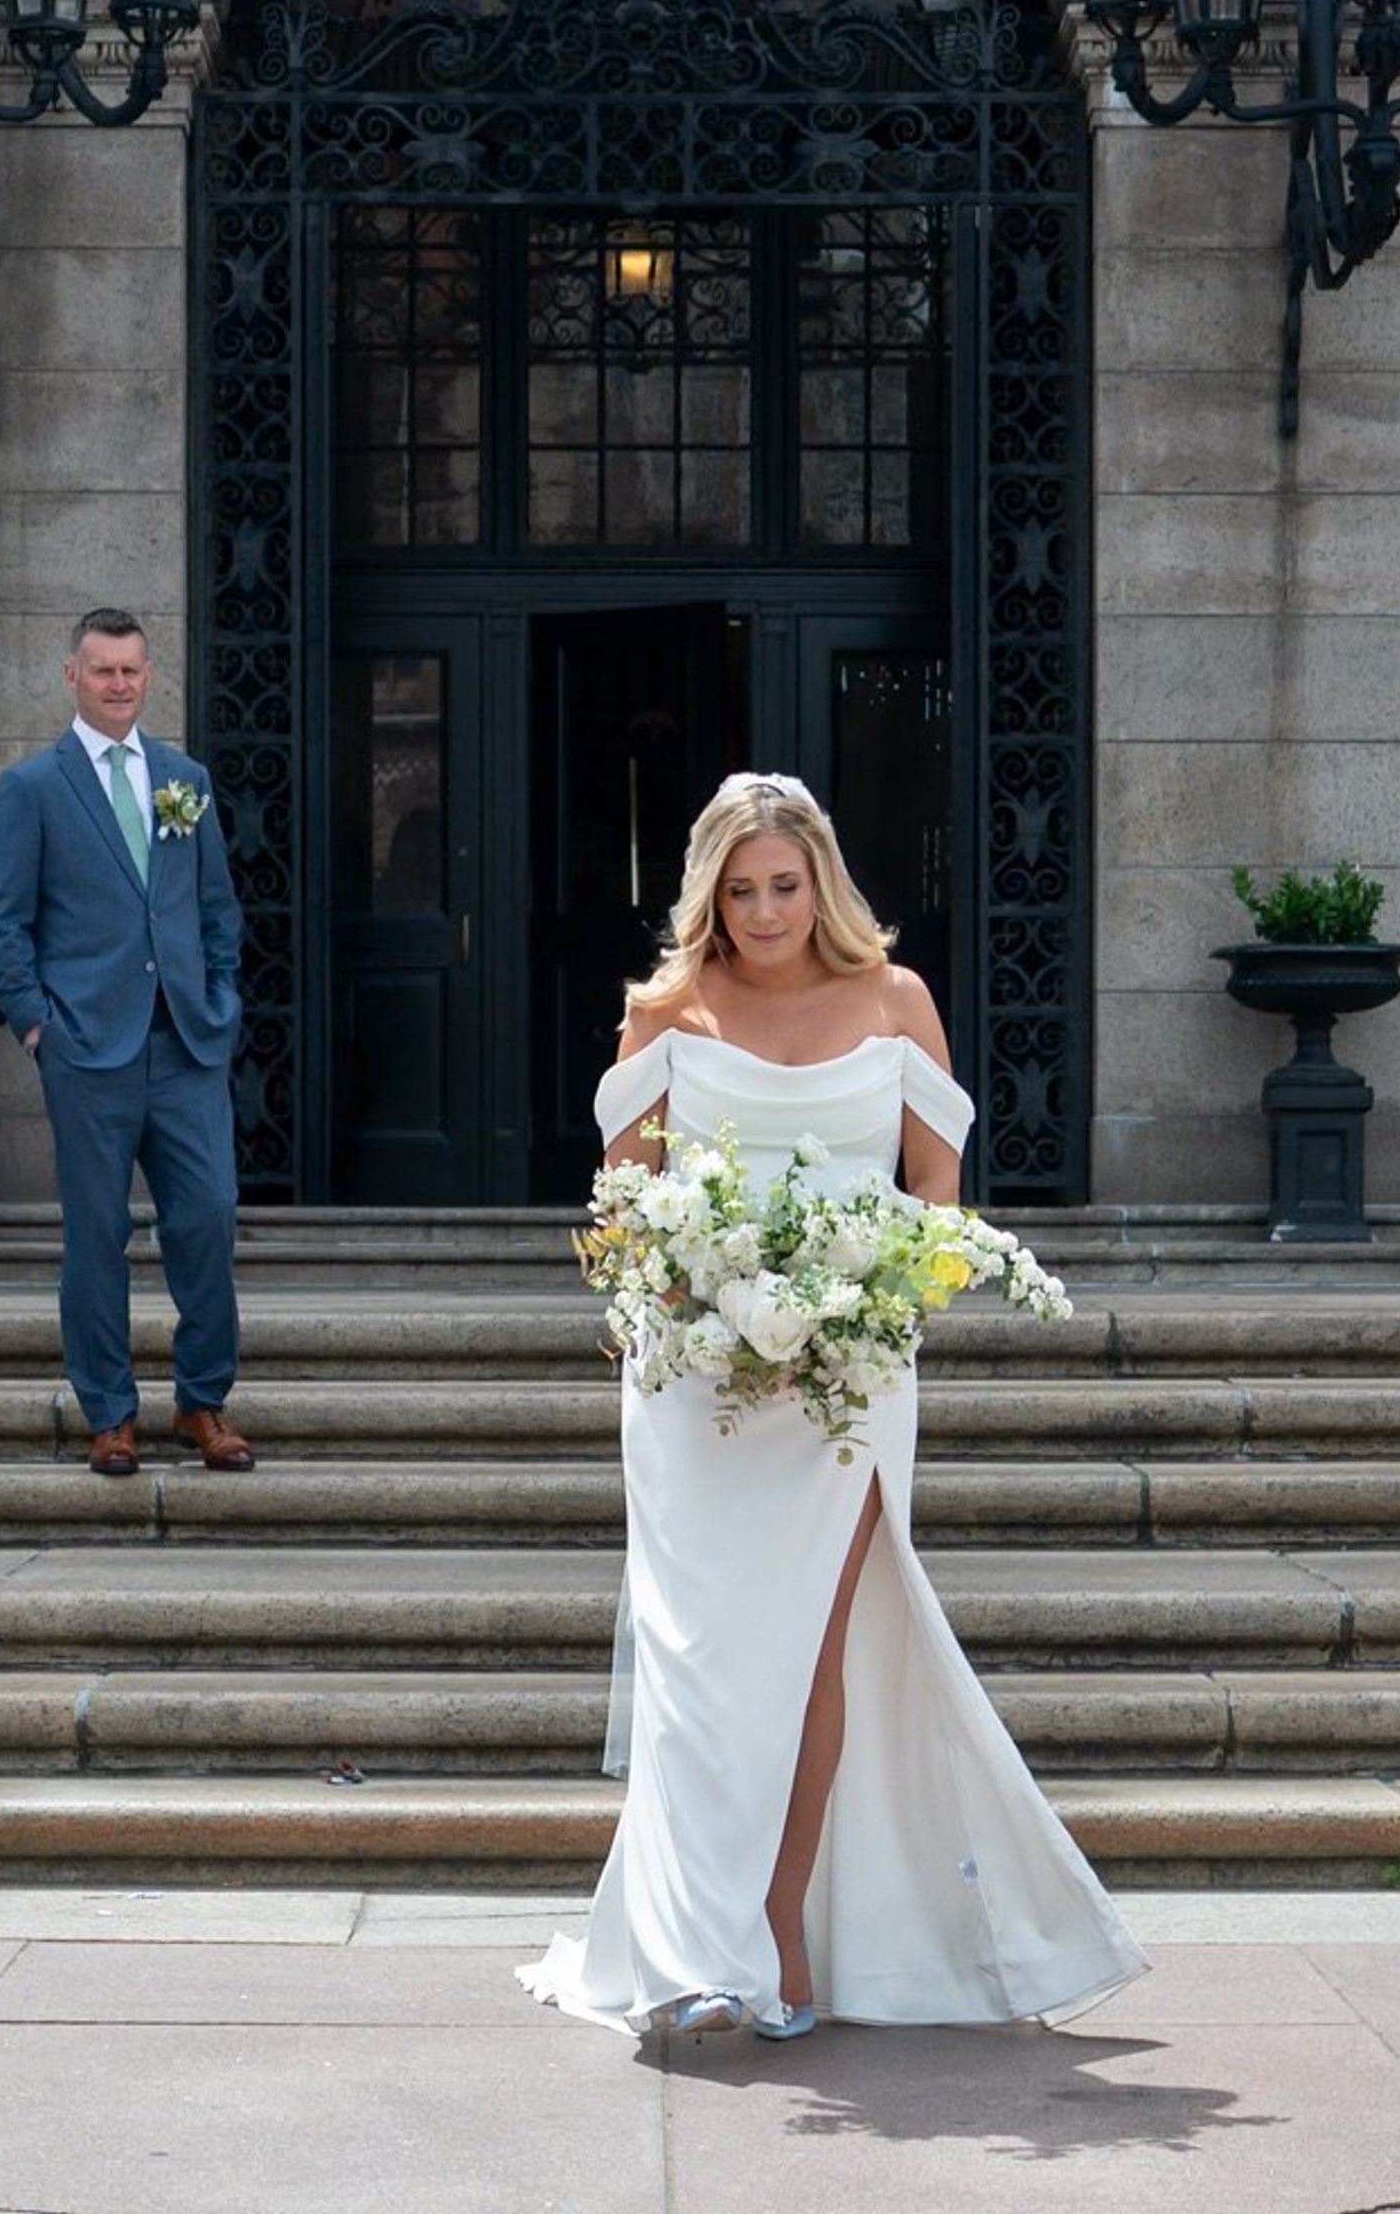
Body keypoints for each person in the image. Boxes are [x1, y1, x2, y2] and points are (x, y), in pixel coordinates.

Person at [524, 771, 1145, 2038]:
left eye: (783, 887)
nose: (762, 912)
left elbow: (936, 1203)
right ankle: (695, 1955)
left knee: (812, 1658)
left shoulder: (896, 1001)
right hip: (695, 1389)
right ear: (707, 891)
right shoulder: (664, 1012)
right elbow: (624, 1210)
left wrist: (865, 1306)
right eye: (739, 890)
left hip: (849, 1387)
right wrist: (700, 1295)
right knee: (700, 1666)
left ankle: (779, 1942)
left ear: (823, 882)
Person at [0, 608, 255, 1479]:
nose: (120, 684)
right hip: (87, 1050)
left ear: (148, 674)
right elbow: (5, 928)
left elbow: (216, 909)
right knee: (96, 1234)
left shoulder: (185, 780)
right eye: (103, 670)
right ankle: (109, 1414)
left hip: (185, 1044)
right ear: (72, 676)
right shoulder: (30, 789)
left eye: (133, 670)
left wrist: (219, 1001)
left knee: (207, 1216)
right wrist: (38, 1027)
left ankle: (203, 1403)